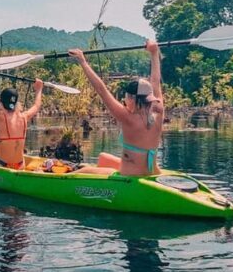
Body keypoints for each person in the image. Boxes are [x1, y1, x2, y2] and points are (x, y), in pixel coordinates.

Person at [69, 40, 164, 176]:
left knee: (81, 172)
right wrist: (154, 53)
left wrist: (83, 61)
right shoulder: (158, 112)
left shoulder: (128, 118)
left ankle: (67, 175)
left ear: (133, 98)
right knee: (103, 158)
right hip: (151, 172)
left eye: (126, 97)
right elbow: (155, 82)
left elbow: (101, 89)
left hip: (130, 176)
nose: (124, 100)